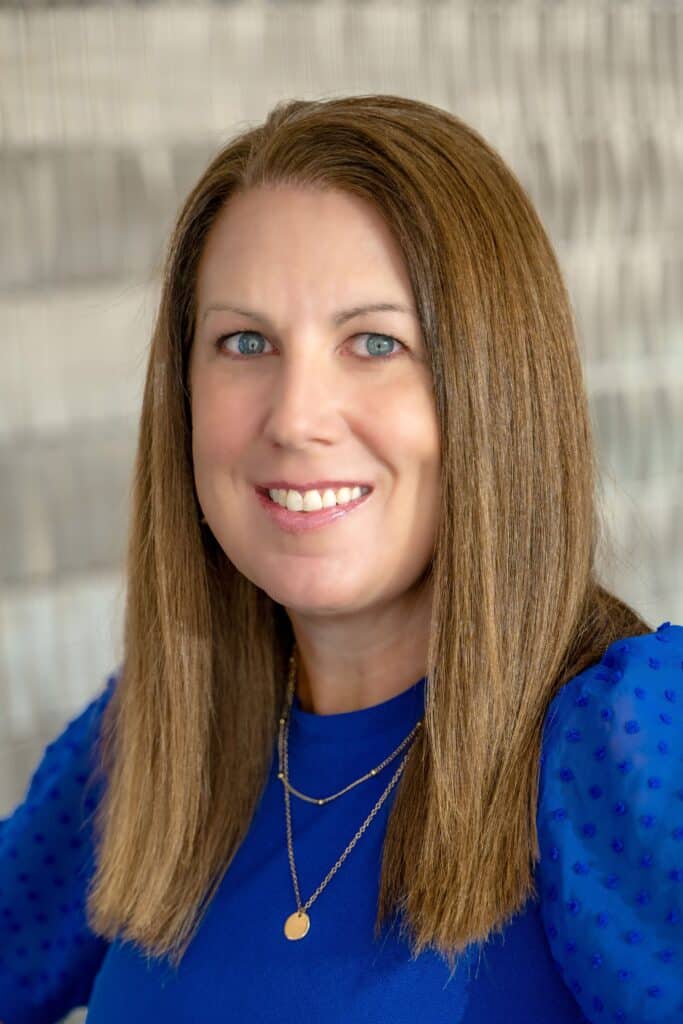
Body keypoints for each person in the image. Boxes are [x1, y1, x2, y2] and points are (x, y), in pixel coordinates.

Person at [0, 94, 680, 1024]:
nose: (294, 418)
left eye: (374, 343)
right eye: (244, 342)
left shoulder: (626, 744)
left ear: (496, 388)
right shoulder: (157, 740)